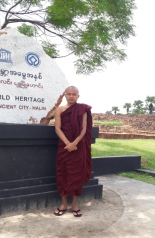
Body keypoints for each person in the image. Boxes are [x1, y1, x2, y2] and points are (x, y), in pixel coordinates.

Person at [53, 86, 92, 217]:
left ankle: (74, 204)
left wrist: (74, 143)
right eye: (68, 94)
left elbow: (84, 129)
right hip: (64, 147)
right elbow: (57, 129)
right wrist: (68, 144)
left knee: (76, 176)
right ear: (65, 95)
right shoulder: (59, 110)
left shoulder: (82, 110)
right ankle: (63, 204)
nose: (71, 96)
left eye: (74, 94)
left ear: (78, 96)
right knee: (62, 174)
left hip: (78, 147)